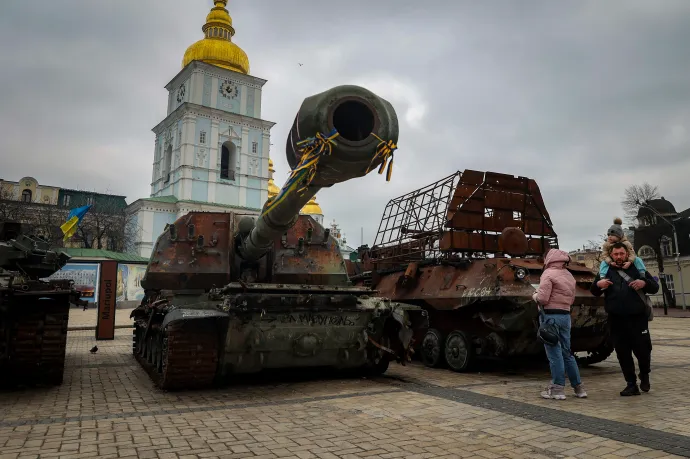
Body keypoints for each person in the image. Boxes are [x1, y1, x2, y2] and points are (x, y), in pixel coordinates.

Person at [590, 242, 659, 396]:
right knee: (623, 352)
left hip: (637, 318)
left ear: (627, 253)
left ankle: (645, 374)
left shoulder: (636, 268)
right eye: (616, 254)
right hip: (616, 320)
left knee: (643, 350)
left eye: (622, 253)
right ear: (611, 255)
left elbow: (654, 287)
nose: (619, 257)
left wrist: (644, 283)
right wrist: (599, 284)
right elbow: (594, 291)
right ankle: (631, 384)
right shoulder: (606, 270)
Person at [533, 249, 587, 400]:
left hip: (550, 317)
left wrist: (534, 295)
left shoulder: (548, 273)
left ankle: (557, 389)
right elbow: (571, 299)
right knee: (567, 352)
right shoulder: (569, 275)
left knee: (554, 354)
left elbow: (543, 299)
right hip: (565, 316)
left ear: (549, 259)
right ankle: (579, 388)